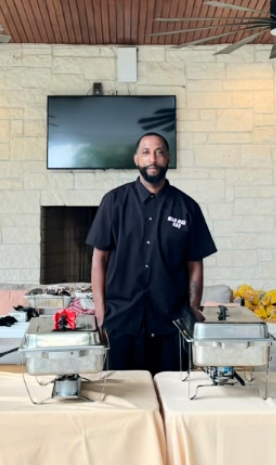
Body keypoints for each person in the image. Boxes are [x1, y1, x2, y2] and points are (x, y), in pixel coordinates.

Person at [86, 132, 217, 374]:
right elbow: (99, 259)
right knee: (123, 392)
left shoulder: (187, 207)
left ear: (169, 158)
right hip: (121, 322)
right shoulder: (113, 202)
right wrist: (101, 311)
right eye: (146, 153)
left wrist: (192, 307)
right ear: (136, 159)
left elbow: (195, 263)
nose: (152, 159)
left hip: (172, 324)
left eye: (159, 153)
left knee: (172, 391)